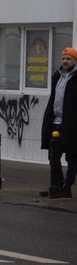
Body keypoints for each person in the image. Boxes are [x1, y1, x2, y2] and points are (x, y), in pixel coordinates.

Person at [40, 46, 77, 197]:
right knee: (53, 156)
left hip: (72, 124)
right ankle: (56, 185)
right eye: (63, 58)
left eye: (69, 59)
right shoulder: (57, 76)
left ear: (75, 60)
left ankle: (67, 186)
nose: (65, 61)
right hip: (55, 122)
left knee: (72, 157)